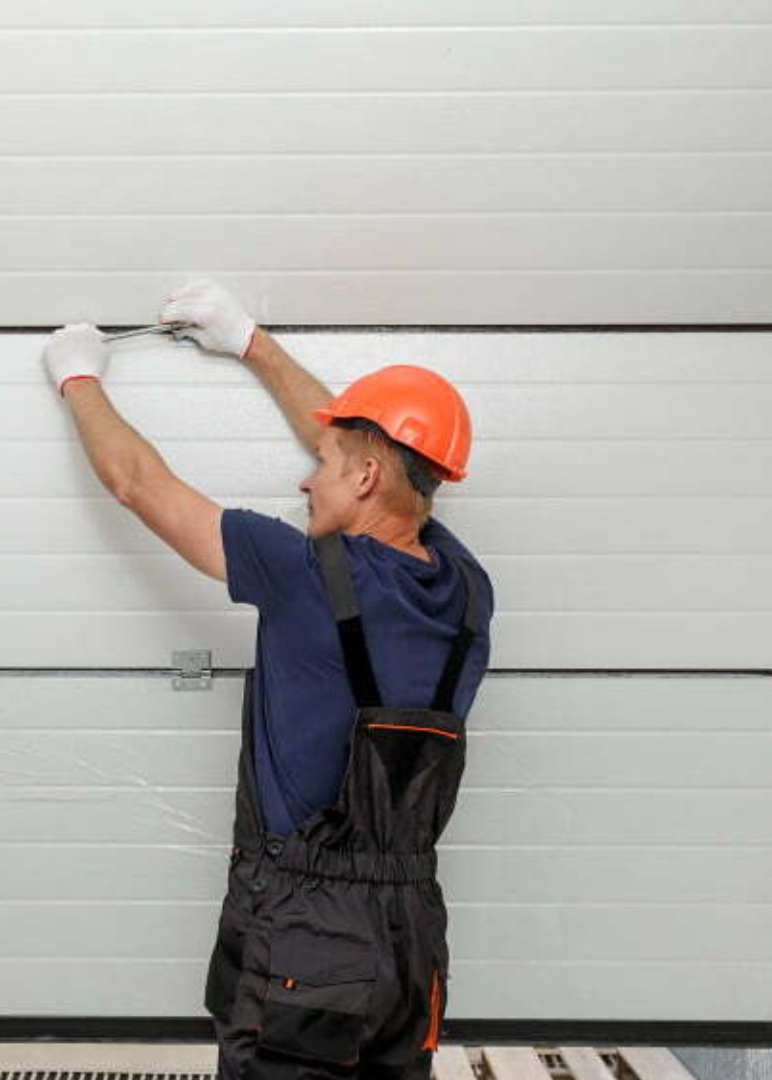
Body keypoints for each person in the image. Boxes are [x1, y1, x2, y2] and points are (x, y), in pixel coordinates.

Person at [43, 279, 494, 1079]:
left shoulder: (300, 573)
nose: (304, 479)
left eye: (320, 463)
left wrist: (78, 377)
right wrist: (251, 342)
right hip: (410, 939)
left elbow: (138, 484)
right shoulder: (464, 590)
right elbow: (384, 460)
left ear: (362, 476)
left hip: (305, 935)